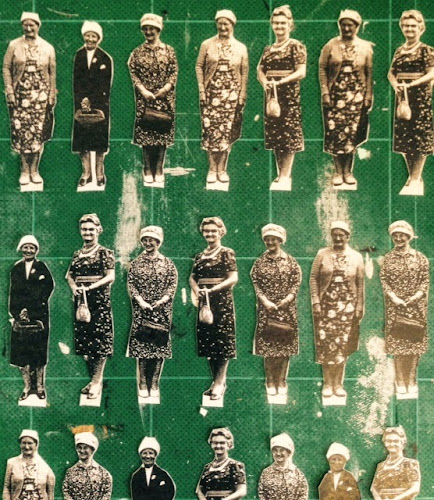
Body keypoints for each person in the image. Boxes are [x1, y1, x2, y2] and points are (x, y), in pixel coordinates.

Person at [310, 221, 365, 398]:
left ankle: (338, 384)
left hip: (347, 309)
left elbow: (360, 284)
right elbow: (313, 278)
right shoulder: (322, 254)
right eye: (335, 235)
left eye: (342, 235)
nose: (338, 238)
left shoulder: (356, 256)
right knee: (326, 345)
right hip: (326, 307)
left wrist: (359, 306)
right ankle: (327, 383)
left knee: (343, 345)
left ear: (348, 236)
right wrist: (316, 302)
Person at [319, 10, 373, 187]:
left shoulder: (365, 47)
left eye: (350, 25)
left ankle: (348, 172)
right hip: (335, 98)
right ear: (339, 25)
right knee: (335, 134)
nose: (347, 28)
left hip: (356, 98)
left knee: (352, 135)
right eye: (343, 25)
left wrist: (368, 96)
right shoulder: (330, 45)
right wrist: (325, 93)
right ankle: (337, 172)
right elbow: (322, 69)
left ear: (357, 27)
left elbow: (369, 73)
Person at [3, 12, 56, 186]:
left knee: (38, 134)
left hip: (41, 98)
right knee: (22, 134)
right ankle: (24, 170)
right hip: (20, 97)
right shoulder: (14, 45)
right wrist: (9, 91)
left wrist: (51, 94)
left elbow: (52, 73)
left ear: (38, 26)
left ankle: (35, 170)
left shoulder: (48, 47)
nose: (28, 28)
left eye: (31, 25)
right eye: (25, 25)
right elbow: (6, 68)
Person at [196, 10, 248, 184]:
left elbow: (245, 72)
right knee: (210, 132)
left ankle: (222, 169)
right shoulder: (207, 44)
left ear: (232, 25)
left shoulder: (241, 47)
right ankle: (212, 169)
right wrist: (202, 90)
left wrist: (242, 94)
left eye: (226, 24)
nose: (223, 27)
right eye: (220, 23)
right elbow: (199, 67)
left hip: (231, 97)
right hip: (211, 95)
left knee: (227, 132)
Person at [66, 214, 115, 400]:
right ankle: (92, 380)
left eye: (91, 229)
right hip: (81, 302)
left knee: (99, 342)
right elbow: (69, 276)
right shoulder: (77, 254)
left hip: (98, 302)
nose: (87, 232)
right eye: (84, 229)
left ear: (98, 230)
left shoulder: (105, 253)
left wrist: (90, 287)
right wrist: (75, 288)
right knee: (85, 343)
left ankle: (97, 381)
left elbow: (110, 276)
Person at [257, 5, 306, 188]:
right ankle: (280, 173)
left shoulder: (295, 46)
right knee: (275, 134)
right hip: (272, 95)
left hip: (288, 95)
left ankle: (286, 175)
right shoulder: (268, 49)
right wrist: (265, 83)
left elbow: (301, 71)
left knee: (288, 134)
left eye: (283, 23)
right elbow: (260, 69)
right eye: (276, 23)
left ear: (290, 24)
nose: (279, 26)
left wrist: (281, 81)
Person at [189, 217, 238, 400]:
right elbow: (192, 277)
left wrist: (213, 290)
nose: (209, 234)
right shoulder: (200, 256)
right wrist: (198, 290)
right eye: (206, 231)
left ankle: (220, 382)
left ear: (221, 232)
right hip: (204, 301)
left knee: (222, 341)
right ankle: (215, 381)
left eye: (213, 231)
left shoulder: (227, 252)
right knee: (208, 342)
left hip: (221, 301)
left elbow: (233, 278)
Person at [127, 226, 178, 398]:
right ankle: (142, 382)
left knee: (159, 345)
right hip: (142, 311)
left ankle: (155, 382)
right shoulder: (136, 263)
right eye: (145, 240)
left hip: (162, 310)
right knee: (142, 345)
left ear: (158, 242)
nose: (148, 243)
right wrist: (141, 302)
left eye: (151, 240)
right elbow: (132, 284)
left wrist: (163, 300)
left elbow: (172, 285)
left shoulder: (168, 263)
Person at [251, 224, 302, 396]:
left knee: (285, 345)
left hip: (287, 309)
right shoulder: (259, 262)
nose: (270, 242)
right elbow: (256, 283)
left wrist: (287, 299)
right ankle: (270, 380)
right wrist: (265, 301)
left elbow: (296, 282)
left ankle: (281, 380)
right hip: (267, 310)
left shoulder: (290, 261)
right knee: (269, 346)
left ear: (280, 240)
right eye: (267, 239)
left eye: (274, 239)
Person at [379, 221, 429, 396]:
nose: (399, 238)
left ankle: (412, 380)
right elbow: (384, 280)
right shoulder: (388, 258)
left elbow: (425, 280)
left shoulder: (420, 258)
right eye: (395, 236)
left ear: (409, 236)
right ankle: (400, 380)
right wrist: (394, 297)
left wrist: (416, 296)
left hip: (416, 307)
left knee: (414, 344)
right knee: (398, 344)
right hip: (396, 308)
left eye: (402, 235)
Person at [128, 13, 178, 184]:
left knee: (162, 130)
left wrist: (166, 88)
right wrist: (143, 90)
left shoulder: (169, 50)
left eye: (152, 29)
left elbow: (174, 71)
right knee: (147, 131)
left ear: (159, 30)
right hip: (145, 98)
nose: (148, 32)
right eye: (145, 29)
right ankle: (147, 168)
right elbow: (133, 72)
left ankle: (159, 168)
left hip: (165, 98)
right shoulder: (137, 52)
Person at [388, 10, 434, 194]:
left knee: (419, 136)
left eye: (413, 26)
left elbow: (432, 73)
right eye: (406, 26)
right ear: (401, 27)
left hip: (420, 97)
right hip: (403, 98)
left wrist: (413, 83)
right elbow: (391, 73)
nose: (409, 29)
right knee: (405, 137)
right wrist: (396, 85)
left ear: (421, 28)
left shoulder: (426, 50)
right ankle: (413, 175)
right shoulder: (399, 50)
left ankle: (415, 178)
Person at [9, 235, 54, 401]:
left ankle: (40, 387)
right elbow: (13, 293)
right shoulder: (16, 268)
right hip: (21, 317)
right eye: (25, 247)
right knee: (22, 353)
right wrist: (17, 313)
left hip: (39, 316)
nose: (28, 250)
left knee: (39, 352)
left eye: (32, 247)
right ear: (21, 248)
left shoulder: (41, 267)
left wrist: (33, 310)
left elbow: (48, 288)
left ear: (36, 250)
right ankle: (27, 387)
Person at [72, 21, 113, 187]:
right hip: (81, 105)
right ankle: (86, 174)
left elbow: (105, 84)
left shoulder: (105, 58)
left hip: (100, 105)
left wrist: (92, 101)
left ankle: (100, 174)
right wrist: (82, 100)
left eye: (93, 36)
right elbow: (76, 81)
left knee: (99, 142)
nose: (90, 39)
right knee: (83, 142)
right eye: (87, 35)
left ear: (99, 38)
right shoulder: (78, 55)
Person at [3, 429, 55, 500]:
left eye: (30, 443)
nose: (26, 447)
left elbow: (50, 493)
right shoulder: (11, 463)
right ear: (20, 444)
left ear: (36, 445)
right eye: (23, 443)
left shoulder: (44, 466)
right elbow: (6, 488)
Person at [371, 426, 420, 500]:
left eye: (396, 441)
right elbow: (373, 488)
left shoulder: (410, 463)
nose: (392, 444)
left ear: (403, 443)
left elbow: (415, 488)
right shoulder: (380, 466)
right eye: (388, 441)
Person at [196, 428, 247, 500]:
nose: (218, 446)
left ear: (229, 444)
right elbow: (199, 491)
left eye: (222, 443)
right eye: (215, 443)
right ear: (211, 444)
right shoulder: (207, 467)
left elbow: (242, 491)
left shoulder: (235, 465)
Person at [62, 432, 112, 500]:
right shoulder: (70, 472)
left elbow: (106, 495)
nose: (82, 451)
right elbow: (66, 492)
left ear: (92, 450)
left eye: (85, 448)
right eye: (79, 448)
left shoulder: (104, 474)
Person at [258, 432, 308, 500]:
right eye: (275, 450)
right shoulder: (266, 473)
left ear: (288, 452)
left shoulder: (298, 474)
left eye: (282, 450)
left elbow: (303, 495)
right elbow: (261, 493)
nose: (278, 453)